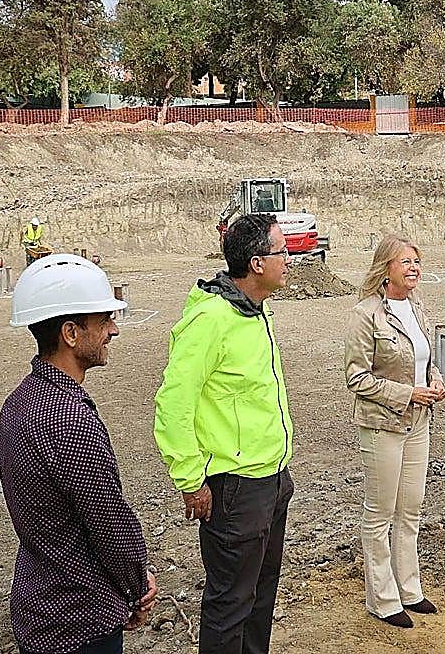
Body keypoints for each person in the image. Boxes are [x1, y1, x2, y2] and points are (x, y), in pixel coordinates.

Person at [0, 253, 156, 654]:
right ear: (70, 332)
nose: (114, 330)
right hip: (78, 618)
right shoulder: (67, 419)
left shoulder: (20, 403)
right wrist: (137, 588)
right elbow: (107, 520)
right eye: (104, 320)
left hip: (43, 605)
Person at [154, 213, 295, 654]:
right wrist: (190, 479)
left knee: (260, 599)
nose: (290, 258)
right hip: (234, 490)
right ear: (256, 263)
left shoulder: (257, 311)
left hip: (271, 479)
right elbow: (173, 405)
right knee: (229, 604)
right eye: (281, 252)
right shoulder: (211, 319)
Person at [344, 235, 445, 628]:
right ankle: (382, 599)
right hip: (383, 426)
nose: (414, 268)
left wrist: (434, 380)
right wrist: (409, 392)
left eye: (417, 261)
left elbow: (427, 358)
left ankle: (410, 589)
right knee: (380, 514)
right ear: (386, 268)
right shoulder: (365, 314)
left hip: (419, 422)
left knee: (411, 510)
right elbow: (356, 378)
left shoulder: (417, 307)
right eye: (406, 262)